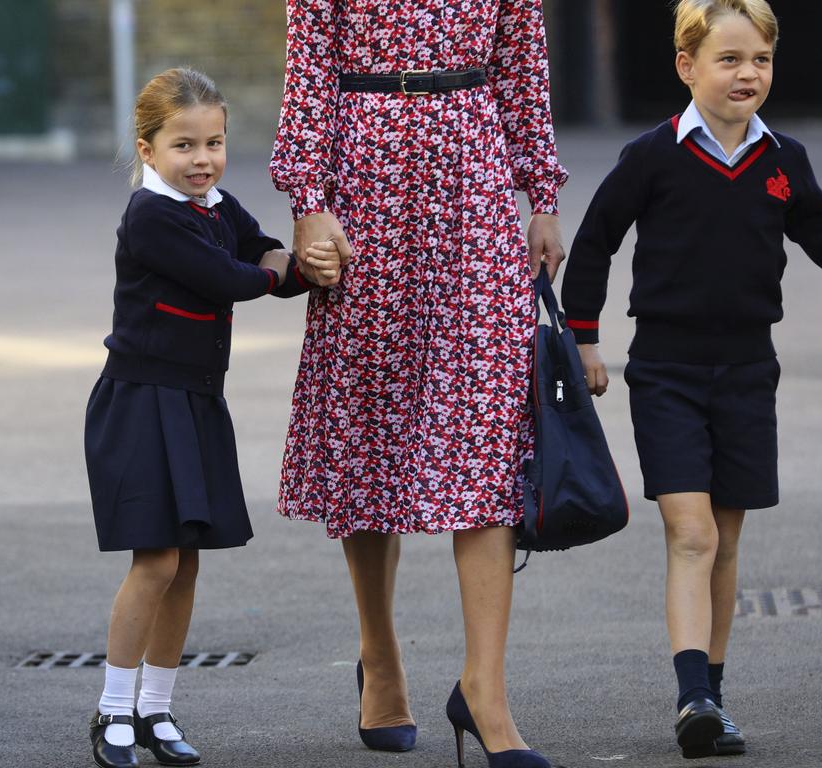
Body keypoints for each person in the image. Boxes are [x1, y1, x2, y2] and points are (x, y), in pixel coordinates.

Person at [561, 0, 822, 759]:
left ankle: (711, 700)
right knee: (690, 532)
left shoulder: (783, 161)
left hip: (748, 372)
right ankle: (691, 694)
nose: (747, 73)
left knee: (725, 541)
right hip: (664, 370)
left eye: (759, 59)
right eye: (728, 59)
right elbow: (594, 243)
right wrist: (586, 342)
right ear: (686, 66)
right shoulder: (652, 156)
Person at [269, 2, 567, 766]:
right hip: (364, 178)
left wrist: (544, 199)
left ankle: (485, 692)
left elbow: (523, 63)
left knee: (491, 429)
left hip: (476, 174)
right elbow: (309, 68)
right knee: (368, 422)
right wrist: (309, 205)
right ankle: (381, 658)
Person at [84, 68, 335, 768]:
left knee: (186, 563)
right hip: (142, 402)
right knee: (155, 559)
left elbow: (254, 246)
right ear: (148, 149)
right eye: (184, 145)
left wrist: (284, 262)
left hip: (195, 400)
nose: (202, 159)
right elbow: (235, 277)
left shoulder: (215, 205)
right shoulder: (152, 216)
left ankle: (156, 711)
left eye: (215, 142)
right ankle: (112, 714)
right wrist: (299, 268)